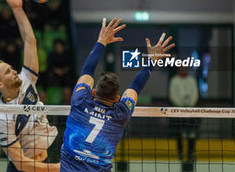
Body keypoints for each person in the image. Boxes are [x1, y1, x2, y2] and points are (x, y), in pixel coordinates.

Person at [60, 18, 175, 172]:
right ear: (117, 99)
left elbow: (86, 72)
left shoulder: (80, 101)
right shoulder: (121, 114)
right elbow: (135, 88)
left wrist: (101, 41)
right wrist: (151, 60)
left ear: (93, 92)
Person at [0, 0, 60, 172]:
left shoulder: (27, 79)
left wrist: (18, 9)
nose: (13, 71)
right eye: (7, 72)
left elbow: (30, 41)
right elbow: (20, 163)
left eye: (11, 68)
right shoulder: (2, 116)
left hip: (47, 158)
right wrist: (58, 169)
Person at [169, 66, 199, 166]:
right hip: (178, 112)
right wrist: (181, 106)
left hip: (191, 112)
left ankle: (190, 154)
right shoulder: (174, 80)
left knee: (192, 134)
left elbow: (195, 94)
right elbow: (172, 95)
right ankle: (181, 154)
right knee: (179, 134)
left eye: (185, 68)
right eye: (181, 68)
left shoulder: (192, 80)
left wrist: (189, 106)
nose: (183, 70)